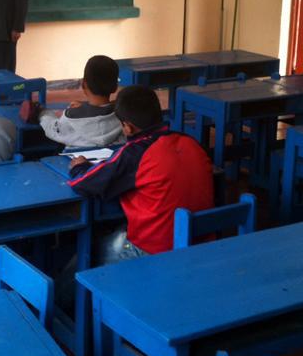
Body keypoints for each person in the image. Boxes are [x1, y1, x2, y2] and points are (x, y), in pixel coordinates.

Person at [68, 84, 214, 262]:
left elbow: (83, 183)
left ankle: (59, 290)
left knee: (85, 255)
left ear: (127, 127)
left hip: (156, 252)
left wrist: (79, 166)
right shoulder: (191, 142)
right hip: (202, 246)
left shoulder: (136, 153)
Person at [33, 55, 124, 149]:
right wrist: (85, 106)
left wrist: (42, 113)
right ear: (115, 87)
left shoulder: (72, 116)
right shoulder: (124, 114)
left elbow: (52, 129)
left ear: (84, 84)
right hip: (113, 160)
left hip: (75, 161)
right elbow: (105, 109)